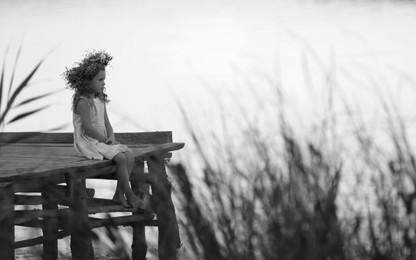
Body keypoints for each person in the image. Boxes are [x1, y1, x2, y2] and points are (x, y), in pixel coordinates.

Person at [63, 50, 144, 209]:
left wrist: (111, 136)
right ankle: (129, 194)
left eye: (104, 79)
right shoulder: (83, 102)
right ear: (87, 81)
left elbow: (107, 122)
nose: (103, 83)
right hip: (88, 141)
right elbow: (88, 128)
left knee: (129, 155)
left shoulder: (99, 98)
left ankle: (118, 195)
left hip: (102, 139)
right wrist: (103, 139)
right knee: (120, 158)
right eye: (100, 80)